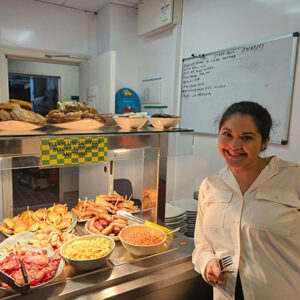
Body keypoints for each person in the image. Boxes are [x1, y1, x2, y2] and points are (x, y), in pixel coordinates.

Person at [192, 101, 300, 300]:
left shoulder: (294, 178)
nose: (234, 145)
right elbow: (202, 245)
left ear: (264, 142)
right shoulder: (210, 185)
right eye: (227, 134)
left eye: (246, 137)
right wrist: (207, 263)